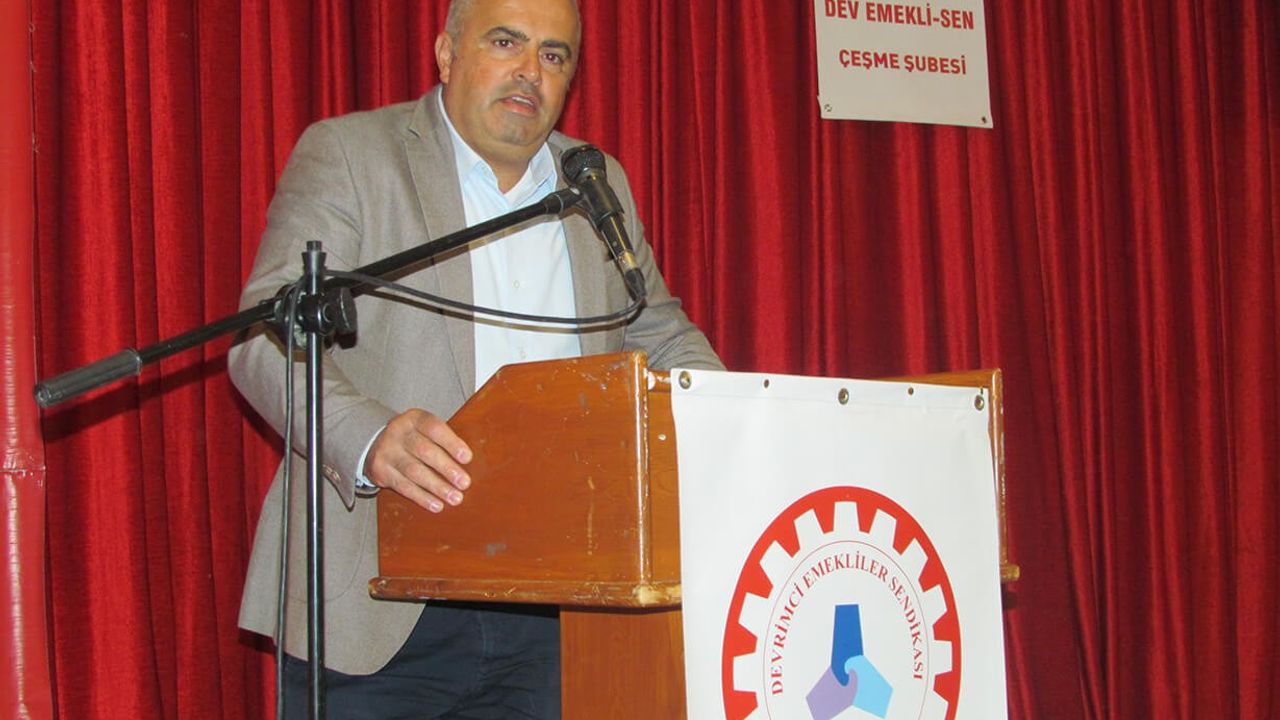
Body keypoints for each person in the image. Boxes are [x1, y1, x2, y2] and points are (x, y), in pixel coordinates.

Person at [228, 0, 723, 716]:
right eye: (506, 42)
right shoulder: (354, 155)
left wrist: (739, 426)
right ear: (446, 54)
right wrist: (368, 437)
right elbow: (265, 337)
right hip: (381, 604)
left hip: (561, 603)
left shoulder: (594, 181)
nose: (530, 72)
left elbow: (661, 334)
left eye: (553, 55)